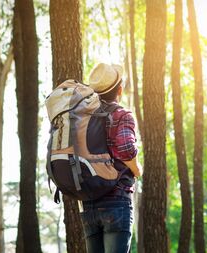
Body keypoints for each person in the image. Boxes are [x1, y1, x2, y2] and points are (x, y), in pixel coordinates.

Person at [79, 63, 142, 253]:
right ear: (120, 90)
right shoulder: (121, 115)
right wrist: (138, 169)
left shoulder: (83, 118)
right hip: (116, 201)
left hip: (89, 203)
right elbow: (125, 149)